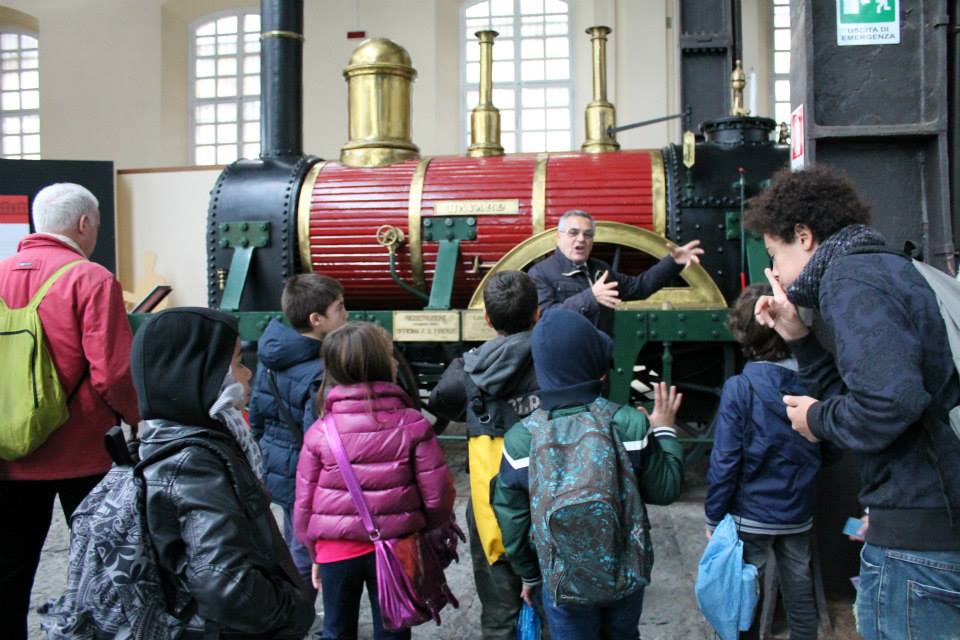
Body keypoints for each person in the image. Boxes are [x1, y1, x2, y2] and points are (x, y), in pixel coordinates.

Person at [747, 166, 960, 639]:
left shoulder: (850, 279)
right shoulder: (890, 267)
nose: (774, 272)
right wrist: (798, 337)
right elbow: (877, 391)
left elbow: (889, 403)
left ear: (804, 236)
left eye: (775, 254)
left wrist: (816, 419)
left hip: (919, 542)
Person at [0, 183, 141, 638]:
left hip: (9, 452)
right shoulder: (91, 279)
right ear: (84, 224)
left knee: (10, 566)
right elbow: (112, 373)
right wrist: (138, 419)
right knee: (97, 562)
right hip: (83, 452)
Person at [492, 308, 684, 639]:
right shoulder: (629, 424)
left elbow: (512, 518)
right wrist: (664, 429)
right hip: (625, 574)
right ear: (596, 366)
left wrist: (530, 574)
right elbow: (666, 489)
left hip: (562, 584)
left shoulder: (521, 440)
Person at [132, 307, 316, 638]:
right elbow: (225, 583)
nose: (247, 374)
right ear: (199, 373)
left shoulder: (169, 440)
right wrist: (291, 611)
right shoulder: (196, 464)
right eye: (238, 363)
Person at [294, 321, 456, 640]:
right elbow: (438, 495)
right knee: (394, 629)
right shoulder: (413, 424)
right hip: (399, 545)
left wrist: (315, 551)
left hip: (335, 550)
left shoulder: (320, 432)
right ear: (385, 364)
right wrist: (421, 530)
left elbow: (303, 504)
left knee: (336, 630)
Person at [428, 270, 548, 639]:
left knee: (499, 614)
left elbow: (440, 402)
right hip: (550, 497)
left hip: (489, 506)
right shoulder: (556, 359)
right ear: (537, 313)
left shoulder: (466, 369)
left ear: (487, 318)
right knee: (557, 610)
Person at [705, 283, 829, 640]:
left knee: (745, 594)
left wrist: (714, 514)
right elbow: (830, 446)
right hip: (798, 509)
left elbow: (726, 460)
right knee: (799, 586)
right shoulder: (812, 384)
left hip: (751, 512)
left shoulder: (740, 388)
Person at [249, 273, 347, 599]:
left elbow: (257, 413)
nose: (346, 314)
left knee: (296, 536)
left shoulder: (270, 357)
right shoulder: (318, 372)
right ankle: (301, 611)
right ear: (317, 320)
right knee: (306, 549)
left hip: (278, 464)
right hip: (304, 474)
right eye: (339, 308)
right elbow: (315, 440)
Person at [528, 209, 704, 332]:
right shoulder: (540, 274)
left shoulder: (600, 270)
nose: (581, 239)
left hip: (599, 363)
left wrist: (673, 262)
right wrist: (590, 297)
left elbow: (640, 287)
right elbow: (544, 319)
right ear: (559, 237)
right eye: (573, 233)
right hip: (564, 363)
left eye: (588, 235)